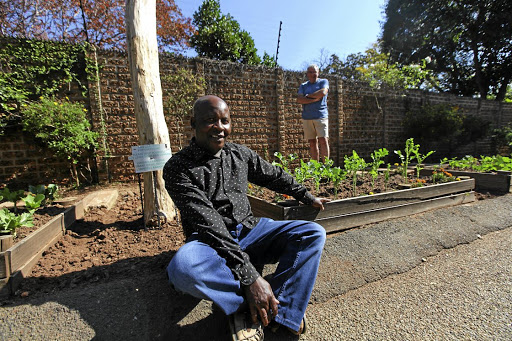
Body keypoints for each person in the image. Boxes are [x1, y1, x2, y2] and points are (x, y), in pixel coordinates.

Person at [163, 95, 329, 341]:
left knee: (312, 233)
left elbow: (273, 175)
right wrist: (251, 279)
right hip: (209, 242)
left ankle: (280, 314)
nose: (220, 128)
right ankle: (255, 307)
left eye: (225, 121)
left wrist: (305, 196)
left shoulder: (239, 154)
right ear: (193, 123)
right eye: (210, 120)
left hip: (252, 231)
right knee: (183, 269)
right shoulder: (178, 168)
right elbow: (209, 224)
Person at [297, 64, 330, 162]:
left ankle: (326, 167)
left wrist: (306, 97)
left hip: (321, 116)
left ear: (318, 73)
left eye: (315, 72)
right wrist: (314, 98)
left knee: (323, 141)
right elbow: (299, 99)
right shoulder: (303, 86)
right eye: (311, 72)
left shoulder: (323, 82)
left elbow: (323, 92)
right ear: (307, 74)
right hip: (307, 117)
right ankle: (316, 168)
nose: (313, 74)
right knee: (312, 142)